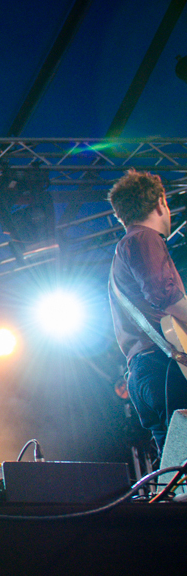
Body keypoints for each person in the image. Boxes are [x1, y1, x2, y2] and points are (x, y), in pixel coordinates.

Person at [107, 169, 187, 453]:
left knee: (175, 473)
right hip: (163, 366)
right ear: (160, 203)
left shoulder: (126, 247)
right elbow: (166, 297)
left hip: (146, 370)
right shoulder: (143, 239)